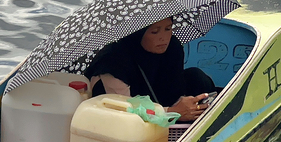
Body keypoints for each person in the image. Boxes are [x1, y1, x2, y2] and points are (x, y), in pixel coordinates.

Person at [84, 18, 216, 122]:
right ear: (138, 32)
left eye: (168, 29)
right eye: (155, 31)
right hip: (122, 114)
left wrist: (188, 105)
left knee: (197, 78)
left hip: (161, 103)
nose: (163, 38)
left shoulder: (173, 47)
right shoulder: (113, 62)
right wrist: (172, 112)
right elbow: (125, 110)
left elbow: (175, 87)